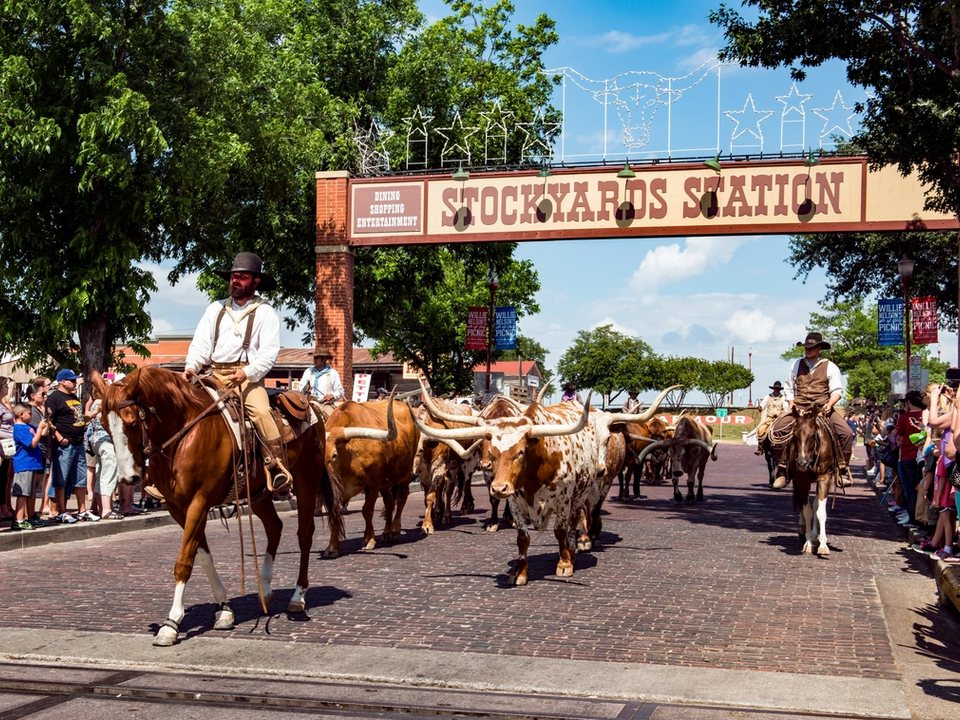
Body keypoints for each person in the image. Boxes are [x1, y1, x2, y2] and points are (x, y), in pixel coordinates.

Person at [183, 251, 292, 490]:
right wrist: (192, 366)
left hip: (247, 379)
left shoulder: (265, 312)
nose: (235, 281)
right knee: (184, 408)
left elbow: (269, 353)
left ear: (255, 282)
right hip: (213, 375)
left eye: (242, 277)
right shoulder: (215, 309)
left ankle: (276, 468)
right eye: (233, 276)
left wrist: (248, 373)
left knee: (262, 412)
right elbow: (201, 343)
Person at [770, 332, 854, 489]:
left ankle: (840, 469)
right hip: (799, 407)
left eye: (812, 347)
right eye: (807, 347)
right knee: (777, 430)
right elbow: (789, 386)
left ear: (819, 348)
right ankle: (783, 470)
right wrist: (791, 403)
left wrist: (829, 404)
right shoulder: (796, 364)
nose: (808, 350)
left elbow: (837, 390)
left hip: (822, 407)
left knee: (847, 434)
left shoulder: (830, 366)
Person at [46, 368, 90, 523]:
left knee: (80, 477)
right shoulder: (54, 398)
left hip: (78, 442)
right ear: (62, 381)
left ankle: (82, 510)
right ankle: (60, 510)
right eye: (71, 380)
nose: (74, 382)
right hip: (65, 443)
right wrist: (58, 437)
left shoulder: (73, 396)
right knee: (61, 478)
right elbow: (49, 420)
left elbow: (78, 417)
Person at [9, 404, 49, 530]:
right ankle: (19, 519)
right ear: (21, 415)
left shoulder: (29, 427)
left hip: (32, 464)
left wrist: (46, 423)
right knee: (23, 493)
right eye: (29, 413)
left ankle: (29, 517)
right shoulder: (19, 428)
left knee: (30, 493)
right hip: (24, 464)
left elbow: (42, 433)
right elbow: (32, 443)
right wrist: (39, 430)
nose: (31, 416)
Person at [895, 389, 926, 526]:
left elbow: (899, 438)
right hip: (922, 455)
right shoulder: (926, 414)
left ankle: (912, 517)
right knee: (919, 487)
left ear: (909, 402)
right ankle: (918, 516)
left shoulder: (904, 417)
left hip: (907, 455)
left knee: (908, 488)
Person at [754, 381, 786, 455]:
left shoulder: (783, 398)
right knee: (760, 429)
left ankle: (786, 446)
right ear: (773, 389)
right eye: (775, 389)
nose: (776, 390)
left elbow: (785, 408)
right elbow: (762, 405)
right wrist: (760, 407)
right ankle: (760, 447)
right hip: (769, 418)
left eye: (778, 389)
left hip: (779, 418)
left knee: (785, 430)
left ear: (780, 390)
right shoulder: (768, 397)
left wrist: (781, 414)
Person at [0, 377, 14, 522]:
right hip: (1, 446)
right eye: (4, 385)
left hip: (7, 446)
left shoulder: (3, 405)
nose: (7, 388)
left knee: (4, 477)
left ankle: (4, 508)